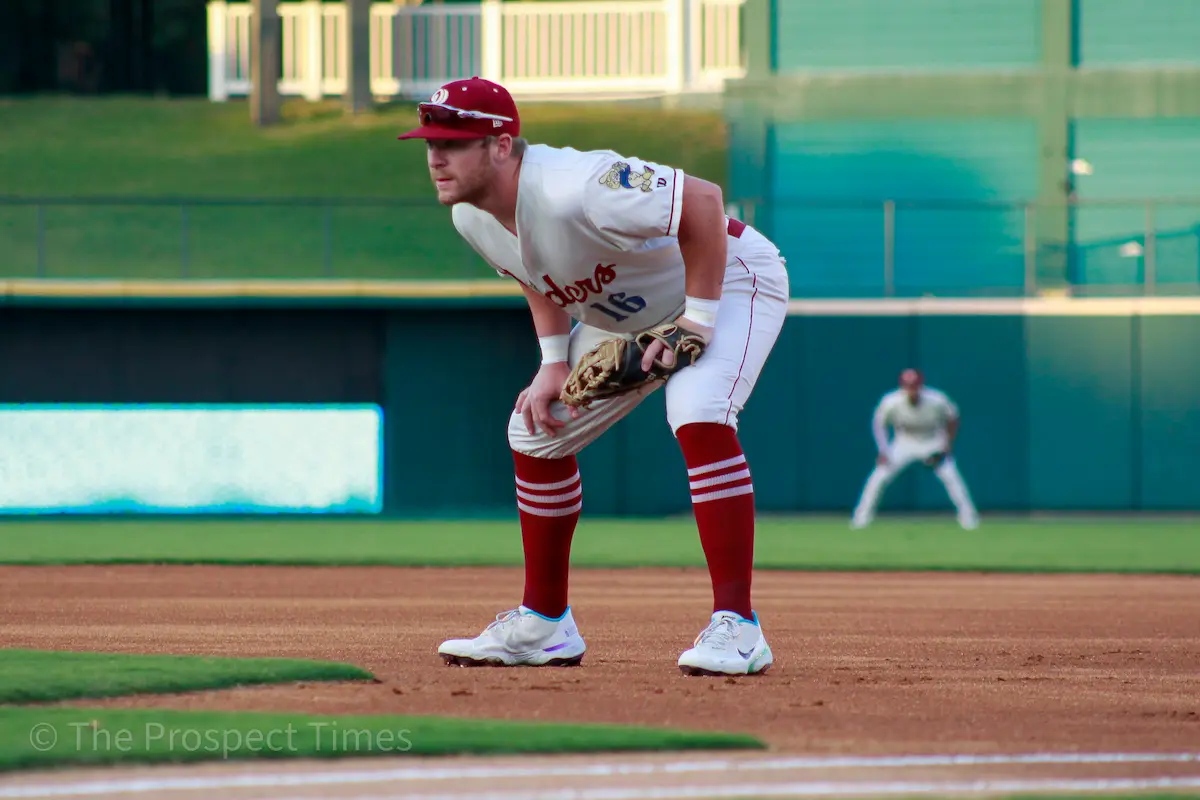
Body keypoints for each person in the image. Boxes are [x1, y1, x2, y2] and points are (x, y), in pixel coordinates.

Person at [397, 77, 790, 676]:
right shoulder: (471, 217)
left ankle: (738, 626)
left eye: (452, 142)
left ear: (500, 145)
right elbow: (534, 272)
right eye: (430, 142)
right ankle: (545, 623)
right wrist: (553, 360)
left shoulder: (576, 186)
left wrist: (698, 320)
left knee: (699, 411)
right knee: (535, 433)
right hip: (630, 314)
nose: (435, 156)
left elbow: (705, 203)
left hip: (727, 277)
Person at [851, 369, 979, 530]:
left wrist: (946, 445)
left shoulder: (936, 399)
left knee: (951, 477)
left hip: (932, 439)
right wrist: (883, 450)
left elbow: (953, 418)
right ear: (902, 387)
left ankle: (969, 518)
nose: (911, 390)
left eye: (914, 386)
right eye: (908, 386)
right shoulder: (891, 401)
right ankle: (861, 519)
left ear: (921, 386)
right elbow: (879, 424)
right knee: (879, 477)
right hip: (904, 441)